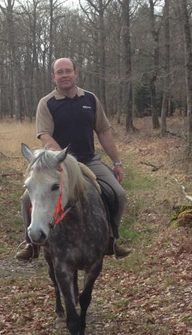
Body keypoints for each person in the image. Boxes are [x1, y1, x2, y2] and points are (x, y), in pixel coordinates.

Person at [17, 57, 131, 260]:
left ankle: (112, 239)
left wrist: (116, 162)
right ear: (53, 77)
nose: (64, 75)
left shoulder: (90, 99)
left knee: (119, 194)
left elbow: (103, 132)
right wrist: (63, 159)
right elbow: (45, 135)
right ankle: (30, 244)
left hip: (89, 161)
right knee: (27, 198)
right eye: (59, 72)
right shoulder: (47, 104)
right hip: (56, 165)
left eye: (68, 71)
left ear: (76, 73)